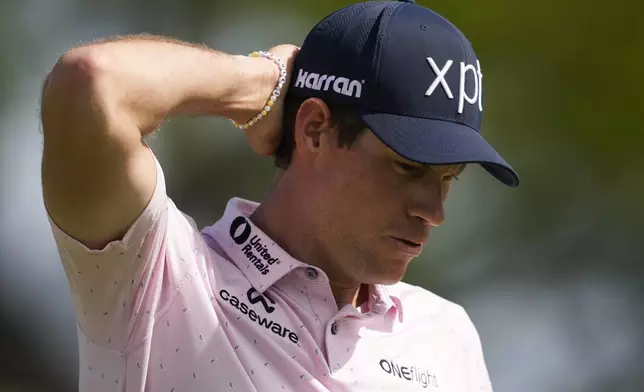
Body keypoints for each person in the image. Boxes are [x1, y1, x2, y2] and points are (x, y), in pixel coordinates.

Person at [40, 0, 519, 390]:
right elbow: (92, 82)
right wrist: (258, 86)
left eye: (448, 178)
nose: (433, 211)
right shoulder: (157, 277)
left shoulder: (445, 335)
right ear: (314, 129)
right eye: (406, 167)